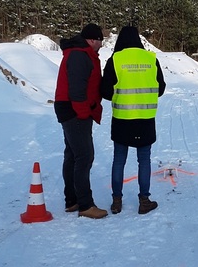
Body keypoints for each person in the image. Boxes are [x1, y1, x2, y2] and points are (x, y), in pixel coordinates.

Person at [101, 26, 166, 215]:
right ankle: (144, 200)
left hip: (122, 119)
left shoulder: (116, 59)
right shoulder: (151, 59)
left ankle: (116, 202)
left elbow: (105, 91)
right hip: (145, 120)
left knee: (119, 160)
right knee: (144, 160)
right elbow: (160, 88)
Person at [54, 23, 108, 219]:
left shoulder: (81, 53)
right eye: (101, 40)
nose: (102, 44)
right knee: (84, 156)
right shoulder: (79, 55)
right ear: (93, 40)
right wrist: (84, 114)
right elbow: (77, 91)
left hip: (71, 109)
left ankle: (72, 200)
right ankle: (85, 205)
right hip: (74, 110)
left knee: (73, 155)